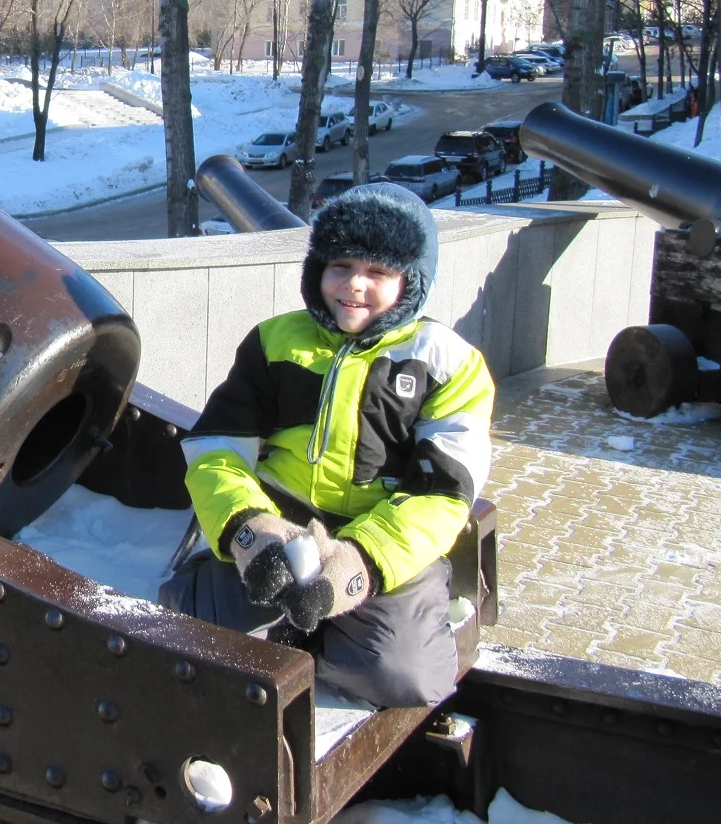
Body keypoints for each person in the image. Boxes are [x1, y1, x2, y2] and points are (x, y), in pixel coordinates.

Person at [159, 183, 494, 708]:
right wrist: (249, 529)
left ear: (410, 281)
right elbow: (218, 448)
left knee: (402, 676)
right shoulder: (275, 342)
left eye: (378, 272)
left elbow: (443, 492)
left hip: (380, 535)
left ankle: (330, 633)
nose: (354, 285)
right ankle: (230, 598)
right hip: (281, 522)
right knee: (196, 633)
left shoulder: (452, 366)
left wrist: (359, 565)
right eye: (341, 266)